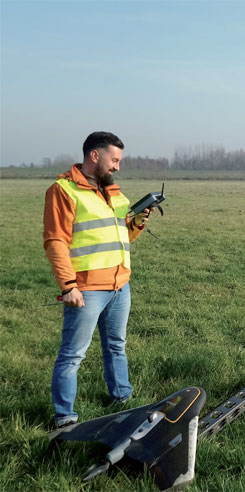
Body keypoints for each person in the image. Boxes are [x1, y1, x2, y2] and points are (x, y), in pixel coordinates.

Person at [43, 131, 154, 427]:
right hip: (87, 289)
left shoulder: (113, 191)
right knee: (73, 355)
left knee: (116, 345)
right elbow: (55, 241)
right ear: (95, 156)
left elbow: (121, 237)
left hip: (120, 285)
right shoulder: (63, 190)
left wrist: (138, 223)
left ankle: (122, 399)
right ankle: (65, 418)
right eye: (114, 160)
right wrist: (68, 286)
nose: (117, 166)